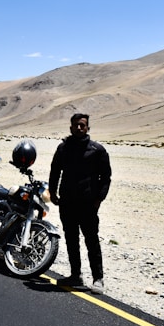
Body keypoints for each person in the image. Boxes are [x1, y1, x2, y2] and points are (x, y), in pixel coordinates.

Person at [49, 113, 112, 295]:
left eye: (82, 125)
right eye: (76, 125)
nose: (79, 128)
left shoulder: (97, 150)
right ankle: (75, 274)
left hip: (88, 204)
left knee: (91, 240)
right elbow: (55, 171)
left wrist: (99, 199)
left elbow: (106, 177)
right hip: (67, 202)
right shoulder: (63, 148)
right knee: (71, 239)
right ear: (70, 128)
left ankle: (97, 278)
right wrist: (52, 192)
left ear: (88, 128)